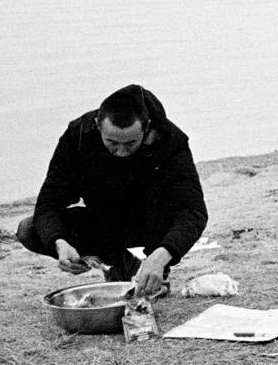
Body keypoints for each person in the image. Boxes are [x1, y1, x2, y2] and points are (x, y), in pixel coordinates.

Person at [17, 84, 208, 298]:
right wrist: (60, 243)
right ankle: (118, 263)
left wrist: (162, 256)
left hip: (152, 223)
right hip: (105, 222)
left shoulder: (170, 141)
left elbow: (193, 212)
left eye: (130, 143)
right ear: (98, 125)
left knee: (174, 218)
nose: (121, 152)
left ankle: (154, 270)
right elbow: (48, 204)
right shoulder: (78, 136)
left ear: (147, 129)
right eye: (112, 142)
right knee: (29, 229)